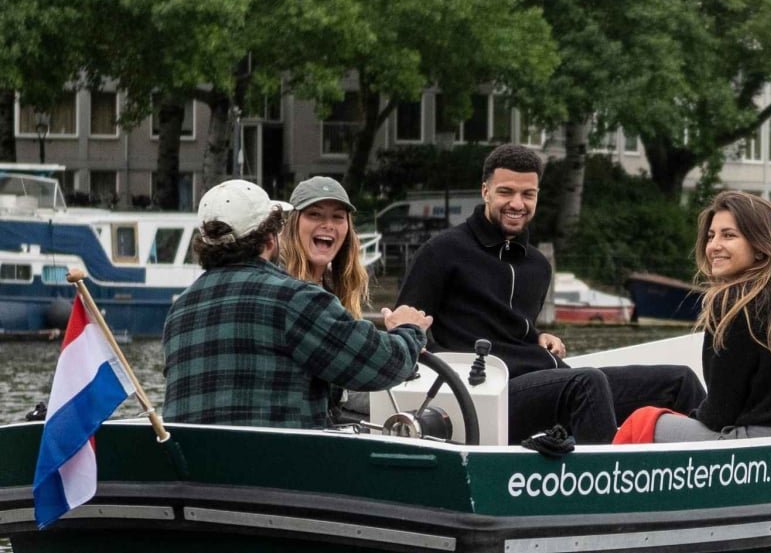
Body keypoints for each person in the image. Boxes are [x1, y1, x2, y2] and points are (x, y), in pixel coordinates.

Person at [395, 144, 705, 445]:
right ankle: (605, 488)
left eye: (528, 194)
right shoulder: (442, 252)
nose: (517, 203)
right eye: (506, 192)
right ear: (485, 191)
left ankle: (723, 464)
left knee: (679, 381)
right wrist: (456, 376)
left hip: (547, 379)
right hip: (488, 392)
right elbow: (406, 333)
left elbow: (510, 327)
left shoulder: (537, 266)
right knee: (587, 383)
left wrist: (538, 335)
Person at [162, 179, 431, 429]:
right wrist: (409, 331)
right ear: (271, 238)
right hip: (280, 471)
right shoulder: (293, 299)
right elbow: (383, 365)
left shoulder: (180, 309)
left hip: (197, 473)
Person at [652, 191, 771, 442]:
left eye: (729, 235)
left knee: (645, 419)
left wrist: (687, 418)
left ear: (760, 246)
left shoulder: (737, 302)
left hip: (758, 448)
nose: (714, 246)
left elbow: (719, 415)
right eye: (711, 236)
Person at [280, 175, 373, 422]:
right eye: (315, 215)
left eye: (337, 217)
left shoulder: (335, 287)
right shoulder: (280, 286)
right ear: (293, 224)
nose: (328, 225)